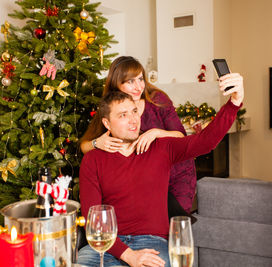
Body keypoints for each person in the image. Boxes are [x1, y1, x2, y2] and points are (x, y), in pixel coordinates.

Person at [78, 73, 244, 267]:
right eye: (123, 115)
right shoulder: (93, 160)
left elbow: (206, 141)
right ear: (107, 123)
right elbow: (94, 221)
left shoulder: (160, 147)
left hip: (153, 243)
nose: (133, 120)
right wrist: (129, 255)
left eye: (134, 111)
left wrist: (234, 102)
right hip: (106, 246)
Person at [80, 56, 197, 215]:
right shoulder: (111, 106)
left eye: (141, 79)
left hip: (176, 176)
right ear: (116, 83)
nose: (138, 87)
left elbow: (181, 138)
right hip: (144, 183)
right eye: (130, 81)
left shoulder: (157, 99)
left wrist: (155, 133)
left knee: (174, 226)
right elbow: (84, 146)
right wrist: (97, 143)